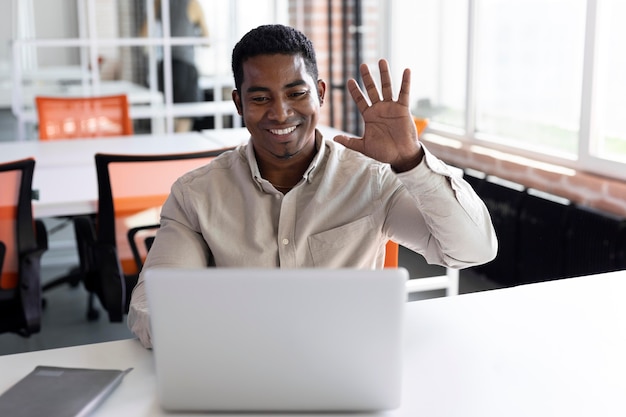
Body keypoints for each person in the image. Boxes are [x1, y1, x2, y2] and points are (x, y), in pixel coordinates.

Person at [128, 24, 497, 348]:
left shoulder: (372, 178)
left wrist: (410, 162)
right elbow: (151, 304)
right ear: (238, 103)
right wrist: (198, 328)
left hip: (348, 369)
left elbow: (471, 251)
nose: (281, 112)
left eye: (296, 93)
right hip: (241, 369)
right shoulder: (196, 195)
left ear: (320, 92)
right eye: (260, 98)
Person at [141, 0, 209, 132]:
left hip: (165, 67)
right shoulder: (193, 4)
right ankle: (178, 152)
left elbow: (143, 34)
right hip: (185, 67)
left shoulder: (160, 2)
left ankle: (166, 151)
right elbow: (207, 40)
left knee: (168, 119)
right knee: (184, 120)